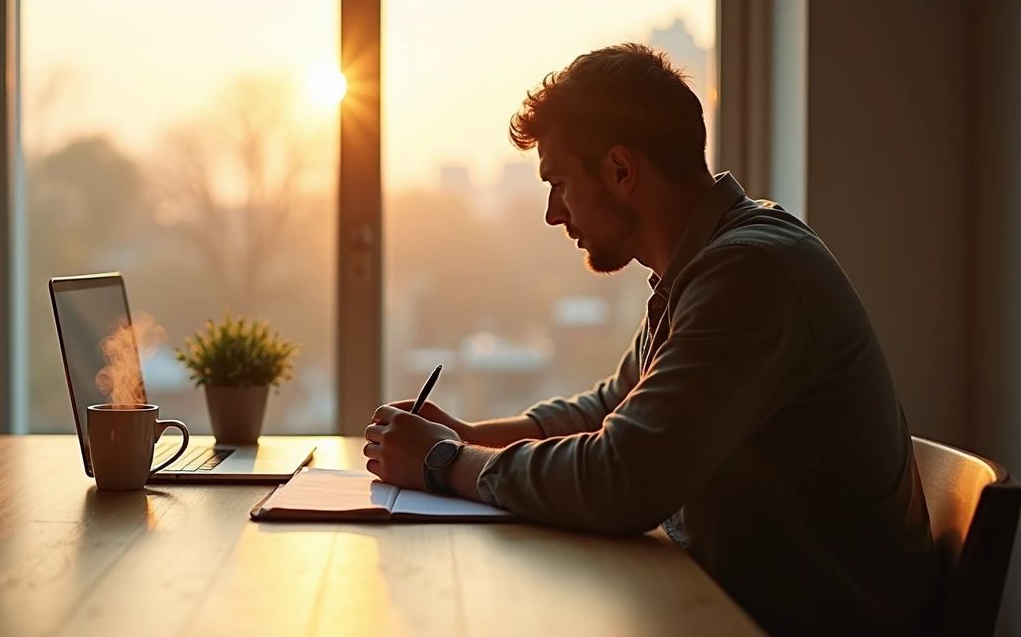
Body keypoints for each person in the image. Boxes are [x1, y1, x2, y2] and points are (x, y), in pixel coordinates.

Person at [362, 43, 940, 635]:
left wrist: (443, 462)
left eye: (558, 182)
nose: (552, 214)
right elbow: (609, 409)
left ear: (620, 169)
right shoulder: (703, 265)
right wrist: (469, 436)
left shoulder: (749, 273)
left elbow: (622, 478)